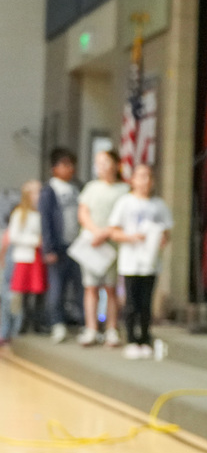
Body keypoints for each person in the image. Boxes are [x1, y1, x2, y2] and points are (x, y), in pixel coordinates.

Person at [108, 163, 172, 359]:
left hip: (150, 262)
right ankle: (131, 339)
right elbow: (114, 231)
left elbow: (166, 233)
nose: (145, 181)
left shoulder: (158, 205)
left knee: (146, 303)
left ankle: (145, 337)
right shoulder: (125, 202)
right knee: (131, 302)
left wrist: (160, 239)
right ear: (132, 180)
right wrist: (131, 237)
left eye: (148, 177)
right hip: (130, 260)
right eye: (140, 176)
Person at [76, 149, 130, 347]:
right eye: (98, 163)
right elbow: (83, 213)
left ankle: (111, 329)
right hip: (92, 243)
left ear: (116, 164)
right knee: (90, 287)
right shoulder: (91, 188)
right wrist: (95, 231)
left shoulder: (123, 190)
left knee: (111, 288)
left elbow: (125, 219)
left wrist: (106, 232)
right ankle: (91, 328)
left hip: (111, 243)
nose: (101, 166)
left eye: (105, 162)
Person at [38, 147, 82, 342]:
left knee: (79, 285)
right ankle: (56, 322)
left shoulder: (77, 188)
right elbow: (46, 221)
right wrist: (49, 248)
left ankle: (82, 321)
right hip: (58, 246)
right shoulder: (49, 191)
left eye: (71, 164)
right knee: (57, 287)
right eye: (64, 164)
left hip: (77, 245)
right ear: (54, 168)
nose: (69, 168)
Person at [6, 181, 46, 341]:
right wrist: (34, 240)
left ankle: (36, 322)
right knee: (22, 293)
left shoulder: (40, 213)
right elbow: (13, 236)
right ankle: (21, 323)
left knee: (37, 291)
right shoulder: (19, 213)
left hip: (38, 257)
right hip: (25, 256)